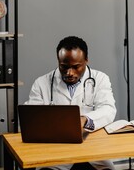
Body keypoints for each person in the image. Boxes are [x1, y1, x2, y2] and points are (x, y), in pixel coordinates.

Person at [25, 36, 117, 170]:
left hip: (93, 150)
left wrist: (85, 120)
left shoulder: (100, 79)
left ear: (86, 60)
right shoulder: (42, 83)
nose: (69, 73)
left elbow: (108, 109)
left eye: (76, 67)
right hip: (56, 152)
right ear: (58, 61)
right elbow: (32, 117)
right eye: (64, 67)